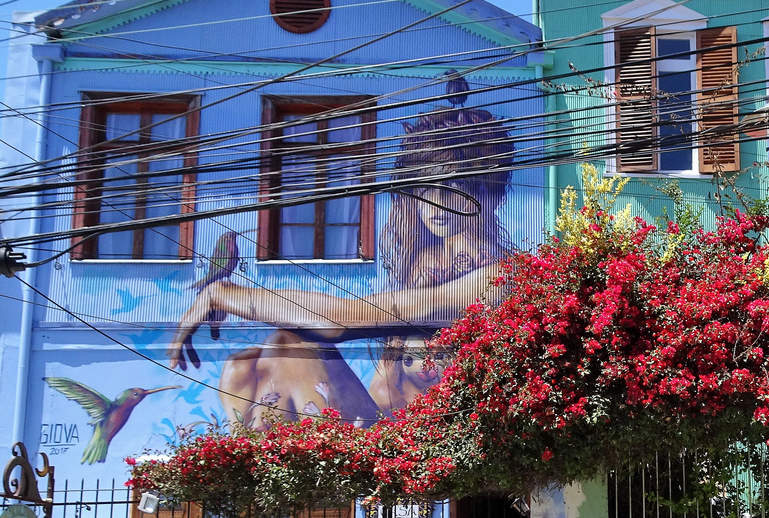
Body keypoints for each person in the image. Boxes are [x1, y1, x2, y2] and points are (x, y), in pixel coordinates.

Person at [169, 75, 516, 429]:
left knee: (289, 348)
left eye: (454, 186)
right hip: (398, 436)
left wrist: (222, 294)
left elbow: (343, 319)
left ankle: (279, 463)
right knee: (255, 360)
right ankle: (260, 463)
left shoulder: (498, 277)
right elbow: (382, 380)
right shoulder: (424, 265)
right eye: (424, 186)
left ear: (493, 193)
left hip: (452, 442)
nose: (436, 203)